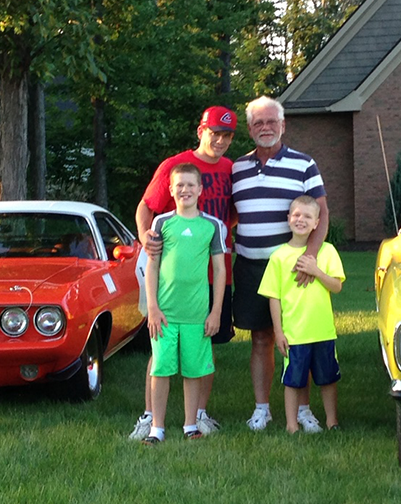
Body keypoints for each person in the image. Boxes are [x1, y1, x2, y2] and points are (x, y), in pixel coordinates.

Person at [130, 106, 237, 440]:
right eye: (214, 132)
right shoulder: (174, 167)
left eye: (227, 135)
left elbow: (231, 214)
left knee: (203, 348)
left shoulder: (231, 169)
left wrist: (214, 238)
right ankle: (150, 418)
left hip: (209, 275)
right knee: (159, 347)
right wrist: (146, 239)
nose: (219, 140)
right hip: (164, 279)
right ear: (200, 131)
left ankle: (197, 417)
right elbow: (146, 207)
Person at [232, 96, 330, 432]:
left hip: (292, 269)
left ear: (283, 125)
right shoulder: (237, 168)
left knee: (297, 340)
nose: (266, 128)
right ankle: (263, 408)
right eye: (258, 123)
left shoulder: (304, 164)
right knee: (261, 338)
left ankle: (303, 410)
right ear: (249, 129)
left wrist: (309, 258)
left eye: (271, 121)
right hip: (250, 266)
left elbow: (322, 212)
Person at [141, 162, 227, 445]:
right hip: (165, 314)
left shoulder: (212, 226)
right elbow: (152, 267)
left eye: (191, 185)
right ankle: (157, 427)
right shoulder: (162, 223)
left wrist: (215, 312)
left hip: (196, 314)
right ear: (170, 190)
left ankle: (191, 424)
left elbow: (220, 270)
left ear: (200, 189)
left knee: (193, 370)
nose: (185, 190)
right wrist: (152, 307)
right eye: (180, 185)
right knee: (161, 368)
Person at [258, 196, 344, 433]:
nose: (301, 220)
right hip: (295, 333)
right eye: (296, 215)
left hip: (323, 330)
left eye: (307, 216)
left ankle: (332, 421)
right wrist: (279, 331)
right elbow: (273, 296)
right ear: (288, 219)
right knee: (293, 379)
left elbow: (336, 286)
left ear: (317, 222)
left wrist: (315, 271)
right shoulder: (279, 256)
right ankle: (291, 425)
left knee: (328, 378)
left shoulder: (326, 251)